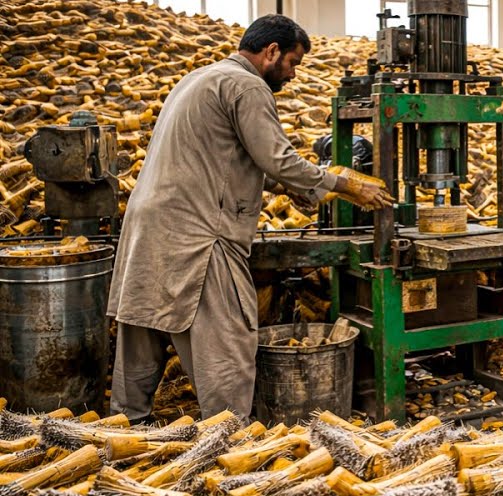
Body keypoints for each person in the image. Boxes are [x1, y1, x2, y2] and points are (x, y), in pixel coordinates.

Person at [107, 15, 393, 421]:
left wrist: (289, 188)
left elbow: (230, 156)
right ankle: (228, 435)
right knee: (227, 342)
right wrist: (344, 183)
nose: (293, 74)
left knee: (143, 330)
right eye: (293, 62)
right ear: (272, 51)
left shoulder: (199, 78)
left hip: (148, 226)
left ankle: (127, 425)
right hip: (199, 232)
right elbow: (278, 159)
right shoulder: (248, 86)